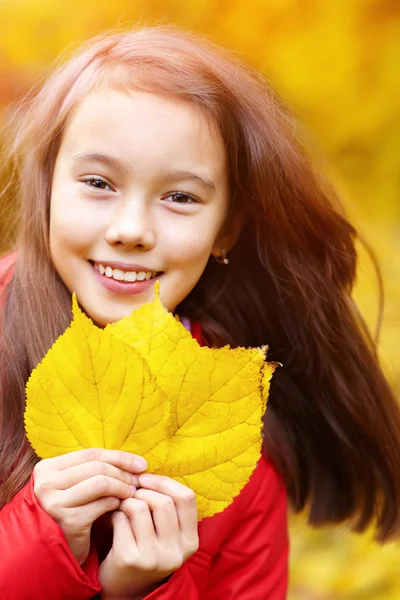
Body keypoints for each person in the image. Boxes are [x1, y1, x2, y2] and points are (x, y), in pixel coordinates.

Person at [0, 25, 399, 600]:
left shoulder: (237, 450)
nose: (132, 230)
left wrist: (142, 589)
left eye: (179, 197)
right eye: (98, 182)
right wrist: (37, 535)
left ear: (226, 228)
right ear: (47, 189)